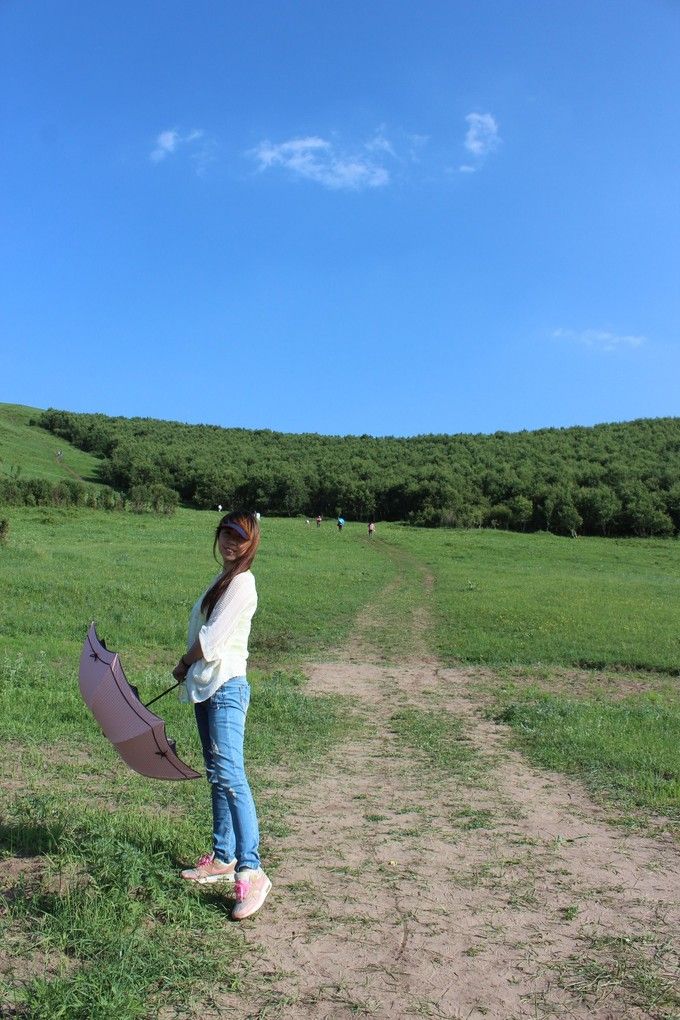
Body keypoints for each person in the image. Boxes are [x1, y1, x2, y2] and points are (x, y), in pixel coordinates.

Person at [172, 511, 271, 921]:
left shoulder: (243, 584)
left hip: (227, 687)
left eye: (240, 536)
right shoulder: (222, 578)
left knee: (231, 774)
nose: (232, 541)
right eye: (226, 533)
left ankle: (252, 869)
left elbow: (210, 640)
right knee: (217, 773)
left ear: (251, 542)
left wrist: (183, 662)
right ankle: (223, 856)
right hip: (207, 686)